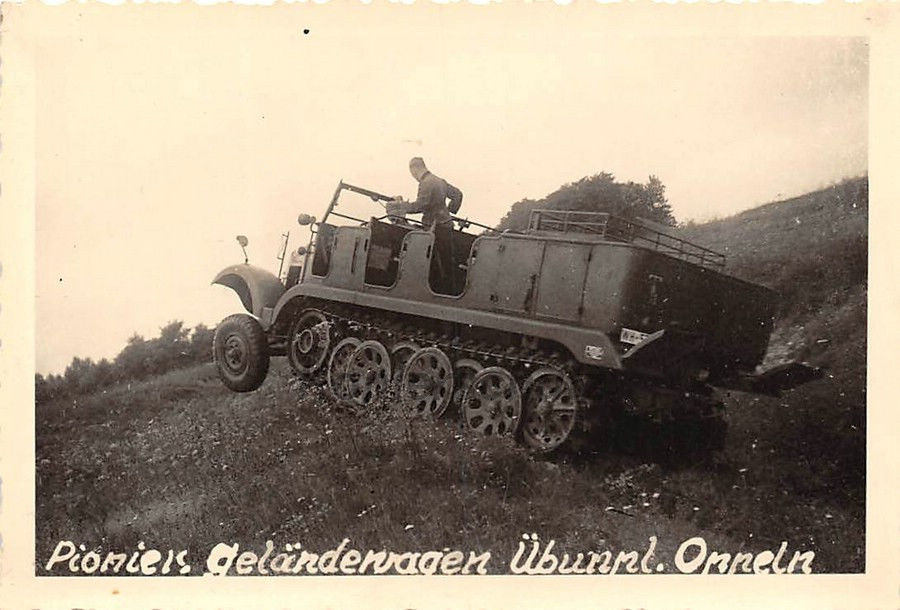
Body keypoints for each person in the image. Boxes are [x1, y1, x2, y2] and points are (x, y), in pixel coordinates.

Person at [388, 158, 464, 294]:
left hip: (435, 230)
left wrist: (400, 206)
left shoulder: (426, 183)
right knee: (445, 266)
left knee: (431, 264)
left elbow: (420, 205)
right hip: (445, 227)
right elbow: (458, 195)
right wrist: (448, 211)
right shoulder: (440, 181)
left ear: (414, 169)